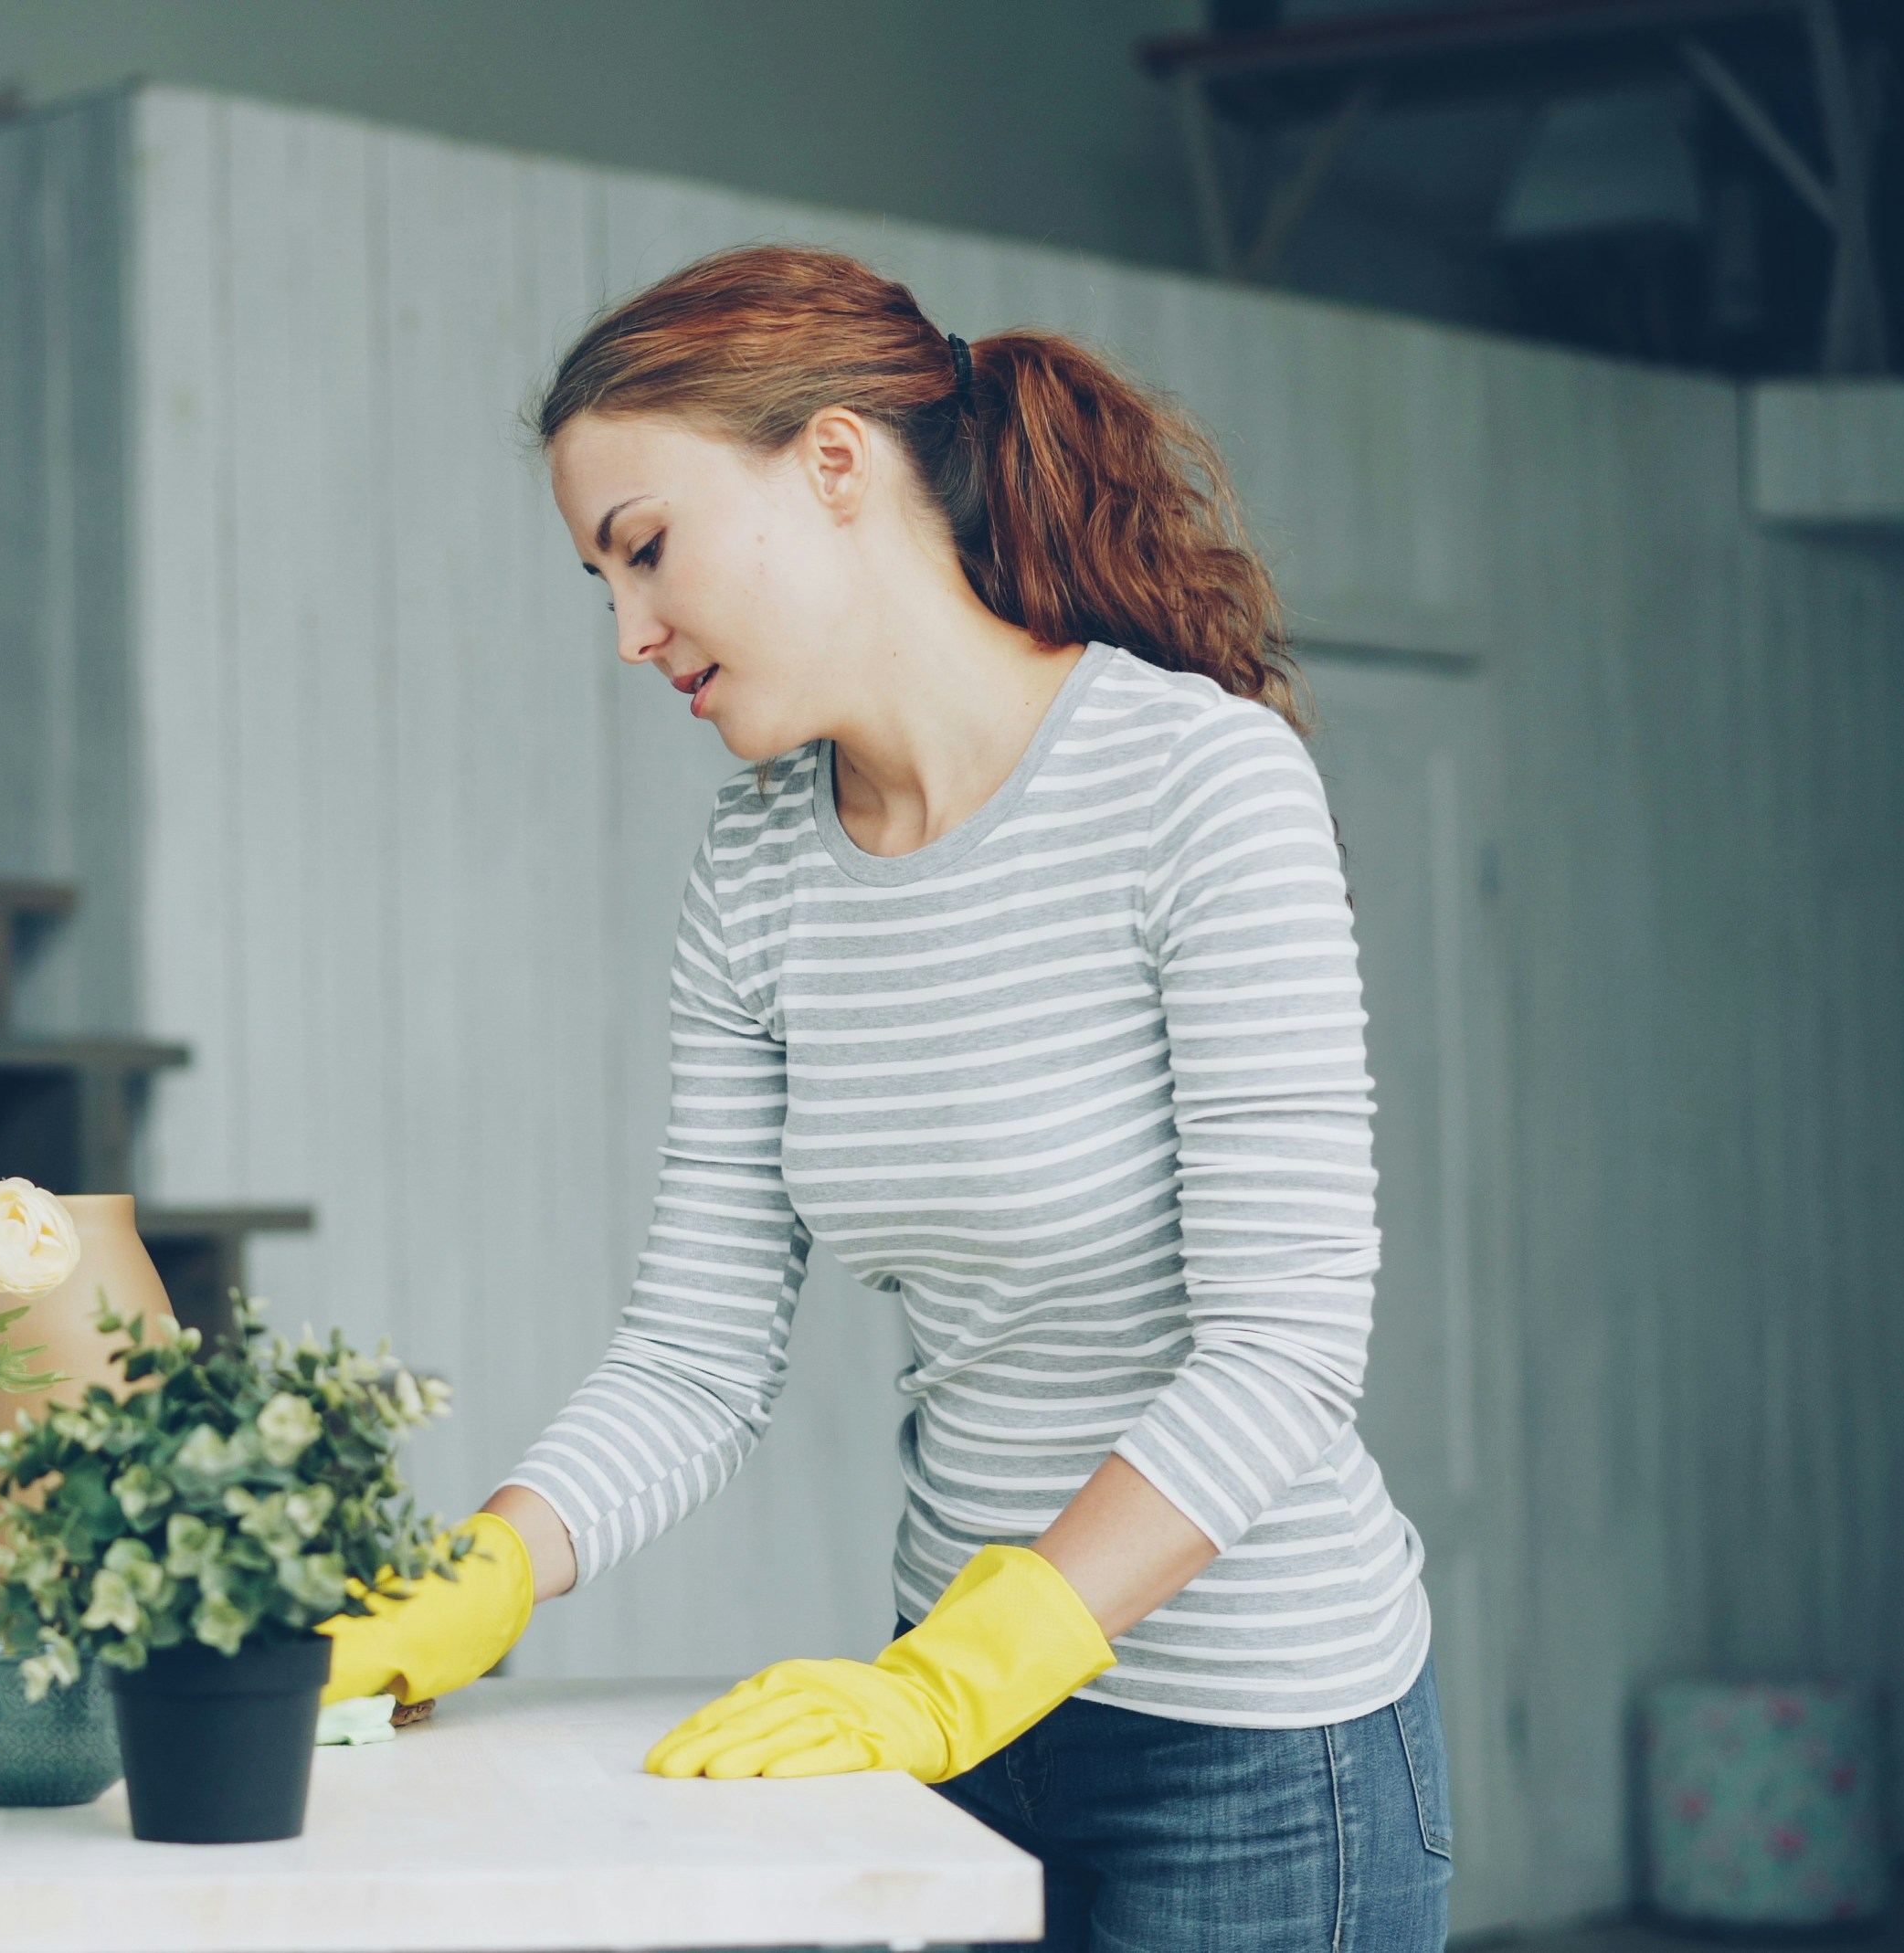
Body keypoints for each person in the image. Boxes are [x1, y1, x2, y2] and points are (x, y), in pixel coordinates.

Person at [318, 246, 1451, 1952]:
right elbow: (697, 1354)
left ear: (835, 461)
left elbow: (1282, 1351)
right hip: (956, 1735)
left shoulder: (1198, 780)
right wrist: (487, 1569)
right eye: (600, 582)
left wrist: (965, 1672)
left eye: (646, 548)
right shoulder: (760, 863)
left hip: (1257, 1752)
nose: (629, 634)